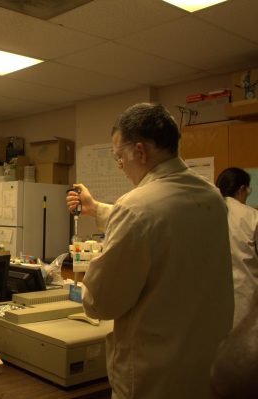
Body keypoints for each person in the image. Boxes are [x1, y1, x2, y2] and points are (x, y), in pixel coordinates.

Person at [65, 103, 233, 399]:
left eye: (119, 157)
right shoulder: (211, 196)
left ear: (139, 152)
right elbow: (164, 222)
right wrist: (97, 210)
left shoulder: (136, 206)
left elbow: (102, 303)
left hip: (153, 378)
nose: (121, 165)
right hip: (205, 371)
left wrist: (84, 281)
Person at [215, 167, 258, 328]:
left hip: (211, 303)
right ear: (242, 189)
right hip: (246, 301)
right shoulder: (252, 217)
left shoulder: (205, 213)